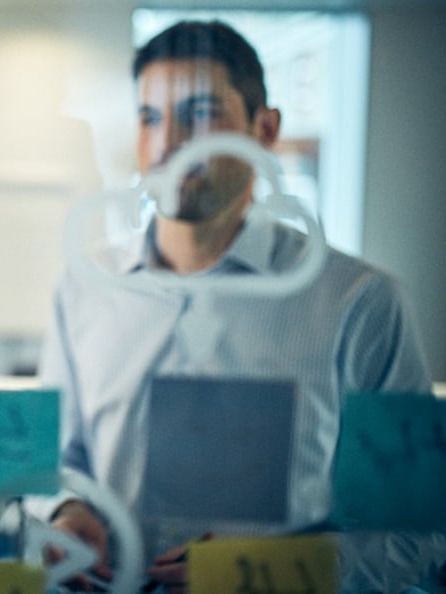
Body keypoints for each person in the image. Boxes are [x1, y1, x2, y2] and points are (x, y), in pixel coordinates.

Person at [38, 20, 441, 592]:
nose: (169, 142)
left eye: (200, 113)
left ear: (264, 129)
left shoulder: (362, 302)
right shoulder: (85, 286)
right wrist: (69, 512)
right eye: (150, 116)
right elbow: (61, 460)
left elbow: (415, 534)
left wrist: (261, 573)